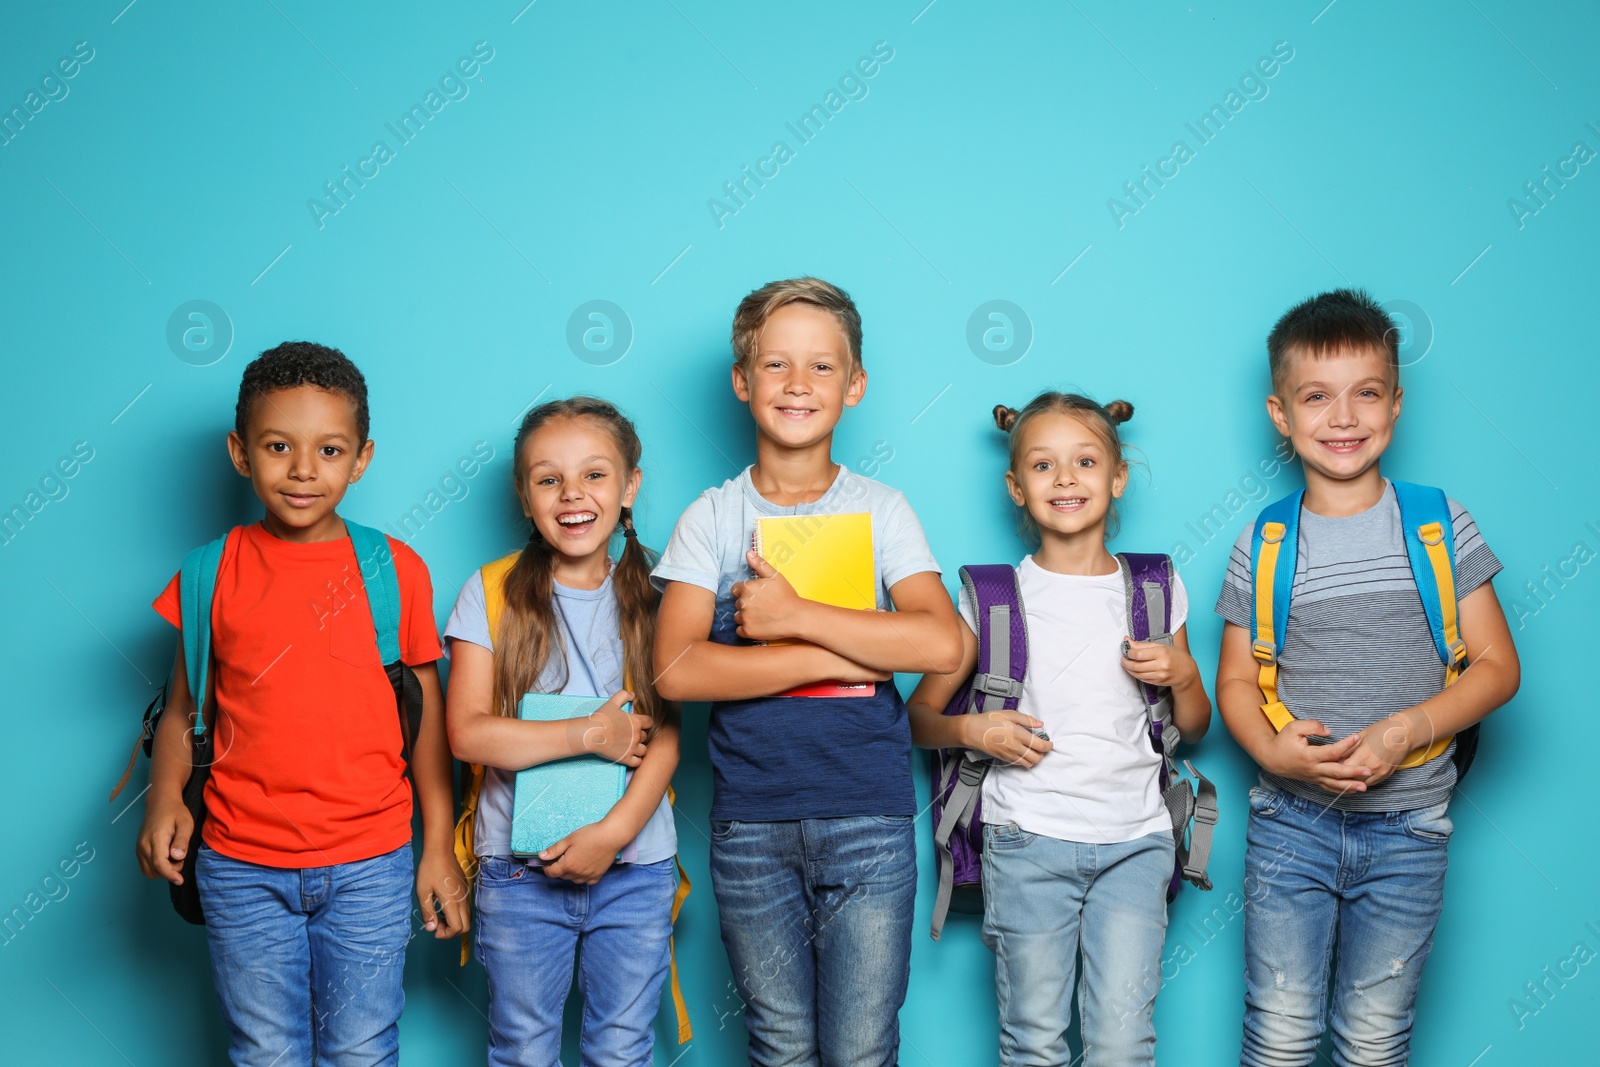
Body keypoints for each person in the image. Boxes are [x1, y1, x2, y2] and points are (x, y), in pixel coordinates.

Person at [651, 277, 963, 1066]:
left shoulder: (883, 509)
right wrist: (844, 653)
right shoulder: (713, 518)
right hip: (752, 823)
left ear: (854, 385)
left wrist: (794, 618)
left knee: (861, 1049)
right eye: (777, 364)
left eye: (822, 367)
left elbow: (943, 645)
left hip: (870, 820)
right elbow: (679, 670)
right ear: (742, 380)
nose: (798, 384)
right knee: (781, 1045)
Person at [136, 341, 467, 1066]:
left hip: (371, 862)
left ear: (362, 458)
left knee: (362, 1046)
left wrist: (437, 845)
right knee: (265, 1050)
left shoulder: (393, 569)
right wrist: (165, 794)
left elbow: (429, 729)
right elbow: (183, 709)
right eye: (279, 445)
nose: (303, 469)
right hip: (240, 862)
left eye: (330, 448)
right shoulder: (209, 571)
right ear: (240, 451)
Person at [1215, 289, 1521, 1066]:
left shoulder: (1438, 522)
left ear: (1396, 404)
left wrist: (1407, 728)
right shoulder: (1266, 541)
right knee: (1280, 1032)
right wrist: (1272, 752)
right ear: (1280, 414)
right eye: (1316, 397)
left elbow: (1497, 666)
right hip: (1291, 826)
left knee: (1375, 1038)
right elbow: (1236, 685)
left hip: (1411, 828)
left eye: (1367, 393)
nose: (1343, 417)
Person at [907, 392, 1211, 1067]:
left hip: (1137, 842)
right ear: (1016, 486)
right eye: (1043, 465)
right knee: (1035, 1039)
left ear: (1118, 476)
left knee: (1122, 1041)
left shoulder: (1155, 588)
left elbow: (1192, 725)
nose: (1067, 478)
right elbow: (920, 719)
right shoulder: (989, 597)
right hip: (1026, 842)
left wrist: (1184, 674)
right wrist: (975, 729)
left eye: (1085, 461)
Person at [446, 397, 678, 1067]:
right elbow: (467, 733)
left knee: (622, 1049)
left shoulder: (665, 590)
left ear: (631, 486)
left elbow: (668, 734)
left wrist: (612, 833)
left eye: (595, 475)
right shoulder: (488, 591)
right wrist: (590, 734)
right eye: (549, 479)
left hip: (634, 869)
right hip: (519, 875)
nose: (572, 494)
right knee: (522, 1049)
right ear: (524, 495)